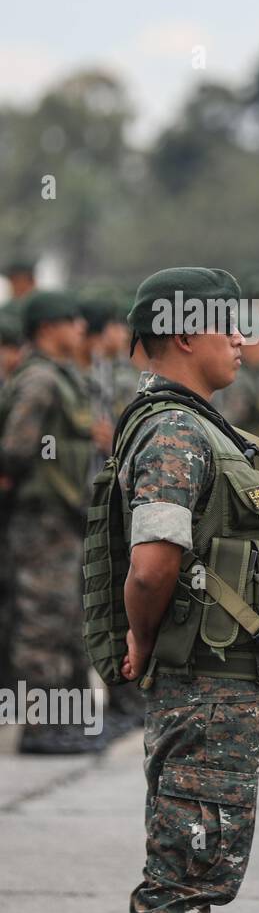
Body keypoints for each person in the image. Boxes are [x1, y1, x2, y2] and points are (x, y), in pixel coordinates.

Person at [111, 266, 259, 913]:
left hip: (220, 685)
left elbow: (206, 533)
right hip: (203, 684)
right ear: (184, 332)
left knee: (197, 866)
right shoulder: (175, 431)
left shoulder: (203, 428)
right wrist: (142, 638)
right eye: (227, 325)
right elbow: (153, 564)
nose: (241, 341)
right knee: (182, 878)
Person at [0, 291, 104, 752]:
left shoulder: (61, 377)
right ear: (46, 329)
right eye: (70, 320)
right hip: (39, 520)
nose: (80, 327)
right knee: (41, 622)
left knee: (64, 619)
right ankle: (39, 728)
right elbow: (16, 449)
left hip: (61, 519)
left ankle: (63, 722)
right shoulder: (40, 380)